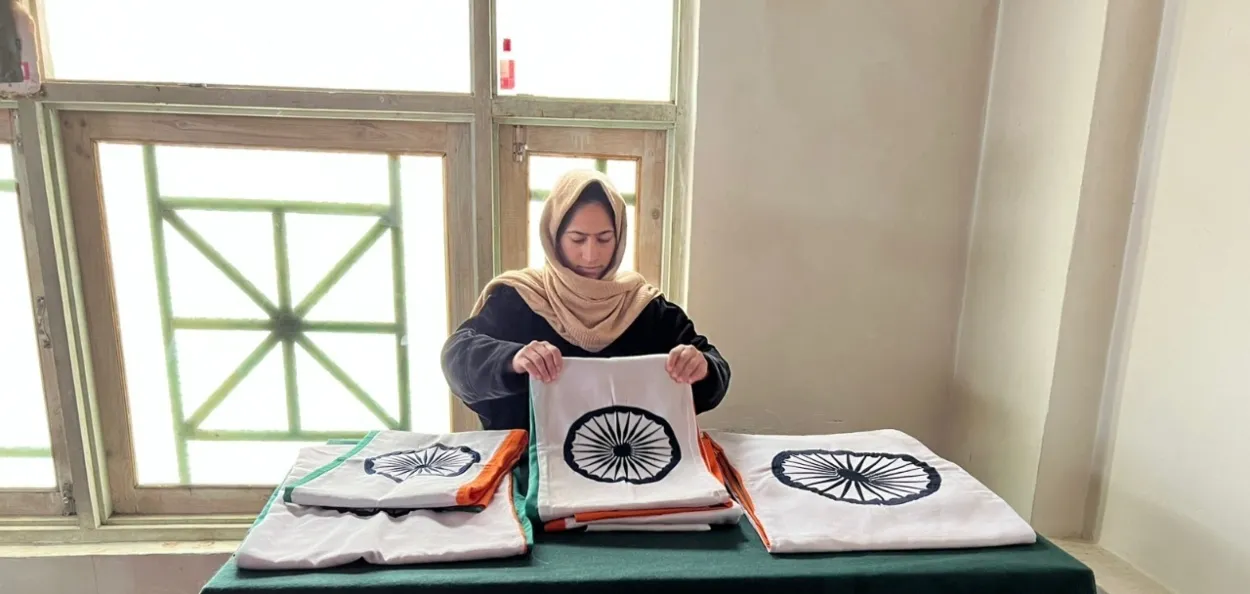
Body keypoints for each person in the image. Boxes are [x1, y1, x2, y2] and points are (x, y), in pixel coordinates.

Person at [441, 169, 730, 431]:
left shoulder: (644, 308)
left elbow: (716, 371)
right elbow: (457, 358)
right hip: (531, 472)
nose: (591, 255)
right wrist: (512, 359)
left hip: (629, 472)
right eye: (577, 239)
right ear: (554, 237)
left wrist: (700, 366)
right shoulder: (520, 298)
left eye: (604, 239)